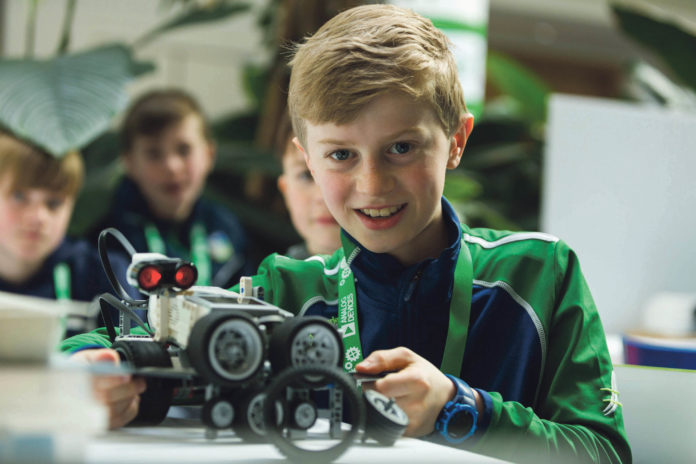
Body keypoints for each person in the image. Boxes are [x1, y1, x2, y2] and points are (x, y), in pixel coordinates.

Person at [61, 5, 631, 462]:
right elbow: (125, 344)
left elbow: (604, 453)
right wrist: (88, 376)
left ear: (456, 141)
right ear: (305, 157)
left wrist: (461, 409)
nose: (372, 183)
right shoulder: (284, 290)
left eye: (402, 148)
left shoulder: (540, 274)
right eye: (339, 155)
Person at [90, 88, 251, 289]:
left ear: (209, 155)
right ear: (129, 163)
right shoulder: (110, 242)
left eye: (184, 150)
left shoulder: (228, 229)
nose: (171, 166)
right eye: (154, 154)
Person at [0, 131, 129, 336]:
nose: (38, 217)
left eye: (54, 203)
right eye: (19, 196)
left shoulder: (107, 276)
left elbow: (135, 359)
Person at [275, 110, 341, 258]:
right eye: (306, 175)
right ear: (285, 190)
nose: (322, 196)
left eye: (338, 171)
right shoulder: (277, 278)